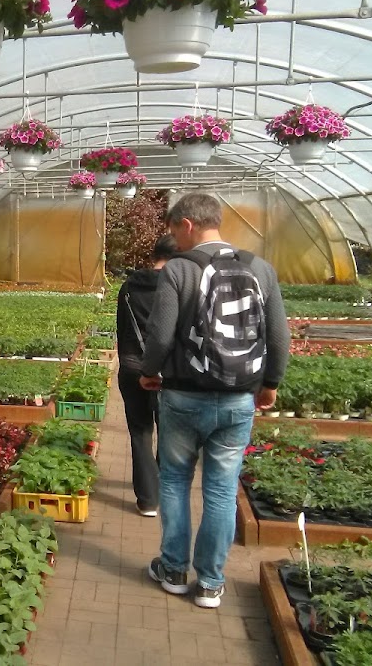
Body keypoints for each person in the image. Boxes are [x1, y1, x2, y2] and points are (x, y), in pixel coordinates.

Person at [140, 193, 290, 609]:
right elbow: (279, 336)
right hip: (239, 398)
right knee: (222, 490)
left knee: (174, 480)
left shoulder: (179, 269)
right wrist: (270, 383)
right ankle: (210, 583)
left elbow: (160, 335)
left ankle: (173, 569)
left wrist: (150, 371)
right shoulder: (260, 268)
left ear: (187, 224)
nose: (175, 239)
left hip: (183, 396)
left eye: (175, 230)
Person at [115, 234, 179, 518]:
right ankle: (162, 487)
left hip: (133, 367)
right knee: (169, 431)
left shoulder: (129, 286)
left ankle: (147, 500)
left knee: (140, 433)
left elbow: (122, 328)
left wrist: (129, 360)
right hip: (170, 371)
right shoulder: (179, 285)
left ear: (154, 255)